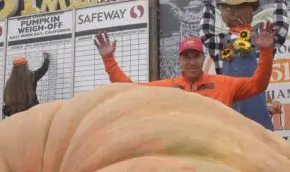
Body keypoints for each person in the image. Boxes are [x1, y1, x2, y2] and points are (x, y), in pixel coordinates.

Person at [94, 21, 275, 108]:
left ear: (203, 58)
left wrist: (266, 52)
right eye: (186, 57)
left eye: (195, 56)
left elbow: (258, 84)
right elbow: (130, 89)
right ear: (180, 61)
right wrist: (109, 60)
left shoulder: (225, 84)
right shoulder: (167, 87)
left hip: (218, 155)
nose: (191, 62)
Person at [199, 0, 289, 130]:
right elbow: (205, 33)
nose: (229, 12)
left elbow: (280, 28)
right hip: (229, 117)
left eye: (235, 8)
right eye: (228, 9)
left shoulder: (260, 37)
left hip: (258, 117)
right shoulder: (221, 42)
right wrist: (207, 3)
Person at [2, 53, 50, 117]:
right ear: (26, 66)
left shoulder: (9, 82)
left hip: (14, 114)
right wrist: (47, 59)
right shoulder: (31, 77)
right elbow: (43, 69)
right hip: (31, 112)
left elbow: (5, 98)